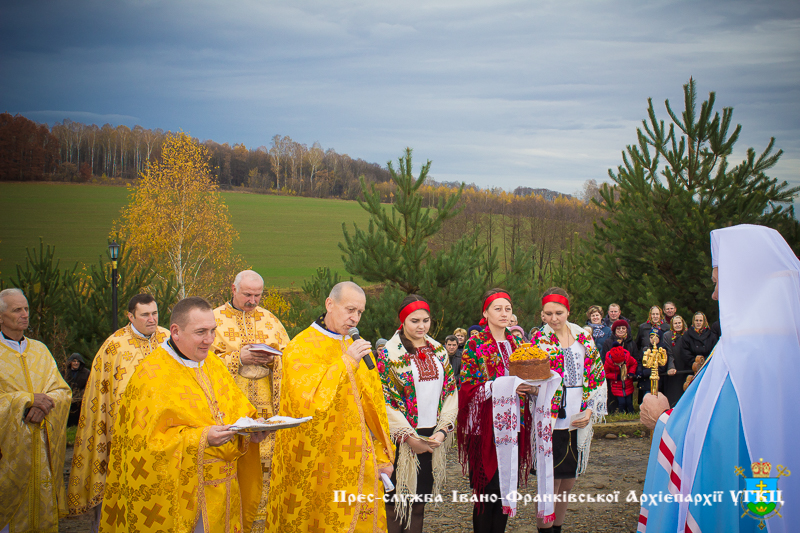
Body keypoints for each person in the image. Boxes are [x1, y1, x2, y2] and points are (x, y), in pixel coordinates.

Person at [638, 225, 799, 532]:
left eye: (718, 282)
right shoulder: (789, 344)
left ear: (744, 281)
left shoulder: (743, 355)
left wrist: (661, 419)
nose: (713, 295)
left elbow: (716, 442)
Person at [99, 297, 269, 533]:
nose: (209, 340)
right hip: (185, 498)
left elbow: (235, 408)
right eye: (201, 332)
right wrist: (201, 439)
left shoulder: (212, 363)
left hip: (226, 491)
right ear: (176, 332)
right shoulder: (151, 375)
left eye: (212, 330)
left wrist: (252, 428)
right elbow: (143, 447)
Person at [266, 281, 394, 532]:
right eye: (350, 310)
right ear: (329, 304)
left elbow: (375, 407)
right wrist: (346, 363)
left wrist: (383, 455)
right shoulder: (301, 347)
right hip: (318, 463)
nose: (355, 318)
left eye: (360, 312)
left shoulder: (357, 346)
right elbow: (305, 405)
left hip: (358, 458)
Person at [67, 293, 169, 528]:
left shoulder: (168, 340)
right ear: (130, 316)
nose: (152, 319)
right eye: (145, 314)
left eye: (155, 313)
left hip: (165, 431)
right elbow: (100, 394)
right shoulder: (114, 346)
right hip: (126, 434)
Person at [211, 269, 289, 531]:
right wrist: (237, 358)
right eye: (247, 294)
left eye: (258, 295)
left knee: (266, 473)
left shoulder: (270, 320)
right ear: (233, 289)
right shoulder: (214, 320)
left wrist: (274, 361)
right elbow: (202, 363)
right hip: (230, 412)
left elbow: (289, 359)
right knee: (234, 473)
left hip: (267, 413)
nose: (253, 301)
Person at [376, 296, 458, 533]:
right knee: (394, 506)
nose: (421, 326)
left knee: (418, 505)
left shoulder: (439, 351)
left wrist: (442, 431)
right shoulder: (389, 354)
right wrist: (409, 438)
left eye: (426, 320)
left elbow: (450, 391)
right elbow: (385, 399)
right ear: (403, 321)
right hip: (400, 439)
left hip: (431, 436)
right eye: (415, 321)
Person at [458, 289, 535, 532]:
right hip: (485, 427)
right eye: (497, 309)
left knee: (505, 491)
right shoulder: (475, 344)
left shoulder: (518, 343)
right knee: (486, 492)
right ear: (485, 313)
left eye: (508, 309)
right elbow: (468, 388)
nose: (504, 314)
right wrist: (505, 386)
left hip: (513, 425)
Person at [530, 287, 607, 533]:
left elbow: (596, 375)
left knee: (568, 482)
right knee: (550, 483)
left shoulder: (583, 337)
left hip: (577, 417)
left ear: (568, 312)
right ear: (542, 314)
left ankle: (557, 527)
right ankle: (545, 529)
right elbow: (531, 379)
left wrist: (590, 409)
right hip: (551, 420)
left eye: (559, 313)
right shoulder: (538, 341)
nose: (554, 318)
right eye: (548, 313)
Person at [0, 288, 72, 533]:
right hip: (9, 455)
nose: (24, 314)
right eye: (16, 310)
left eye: (26, 309)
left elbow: (62, 391)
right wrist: (26, 401)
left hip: (41, 450)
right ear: (1, 317)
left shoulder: (40, 350)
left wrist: (44, 406)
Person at [601, 319, 637, 413]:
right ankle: (614, 411)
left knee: (628, 396)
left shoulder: (631, 343)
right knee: (614, 396)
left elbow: (635, 359)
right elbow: (604, 359)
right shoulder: (608, 342)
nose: (621, 330)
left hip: (627, 375)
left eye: (623, 328)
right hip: (614, 376)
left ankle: (629, 411)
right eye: (618, 328)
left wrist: (631, 372)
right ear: (614, 330)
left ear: (626, 330)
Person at [662, 315, 688, 406]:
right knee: (674, 394)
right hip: (674, 367)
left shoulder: (688, 334)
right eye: (675, 323)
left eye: (679, 323)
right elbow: (668, 353)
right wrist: (671, 367)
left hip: (686, 367)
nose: (677, 325)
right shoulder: (667, 335)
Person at [604, 345, 637, 414]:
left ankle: (631, 413)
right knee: (621, 402)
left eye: (621, 363)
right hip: (617, 386)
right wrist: (615, 376)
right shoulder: (608, 363)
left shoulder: (628, 358)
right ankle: (621, 413)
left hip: (628, 384)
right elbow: (605, 373)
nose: (620, 365)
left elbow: (634, 363)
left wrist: (631, 372)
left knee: (629, 402)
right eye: (618, 363)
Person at [65, 352, 90, 426]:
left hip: (79, 400)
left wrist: (81, 394)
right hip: (66, 398)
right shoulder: (64, 371)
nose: (76, 363)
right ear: (70, 362)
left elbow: (88, 385)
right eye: (74, 361)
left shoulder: (86, 373)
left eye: (78, 361)